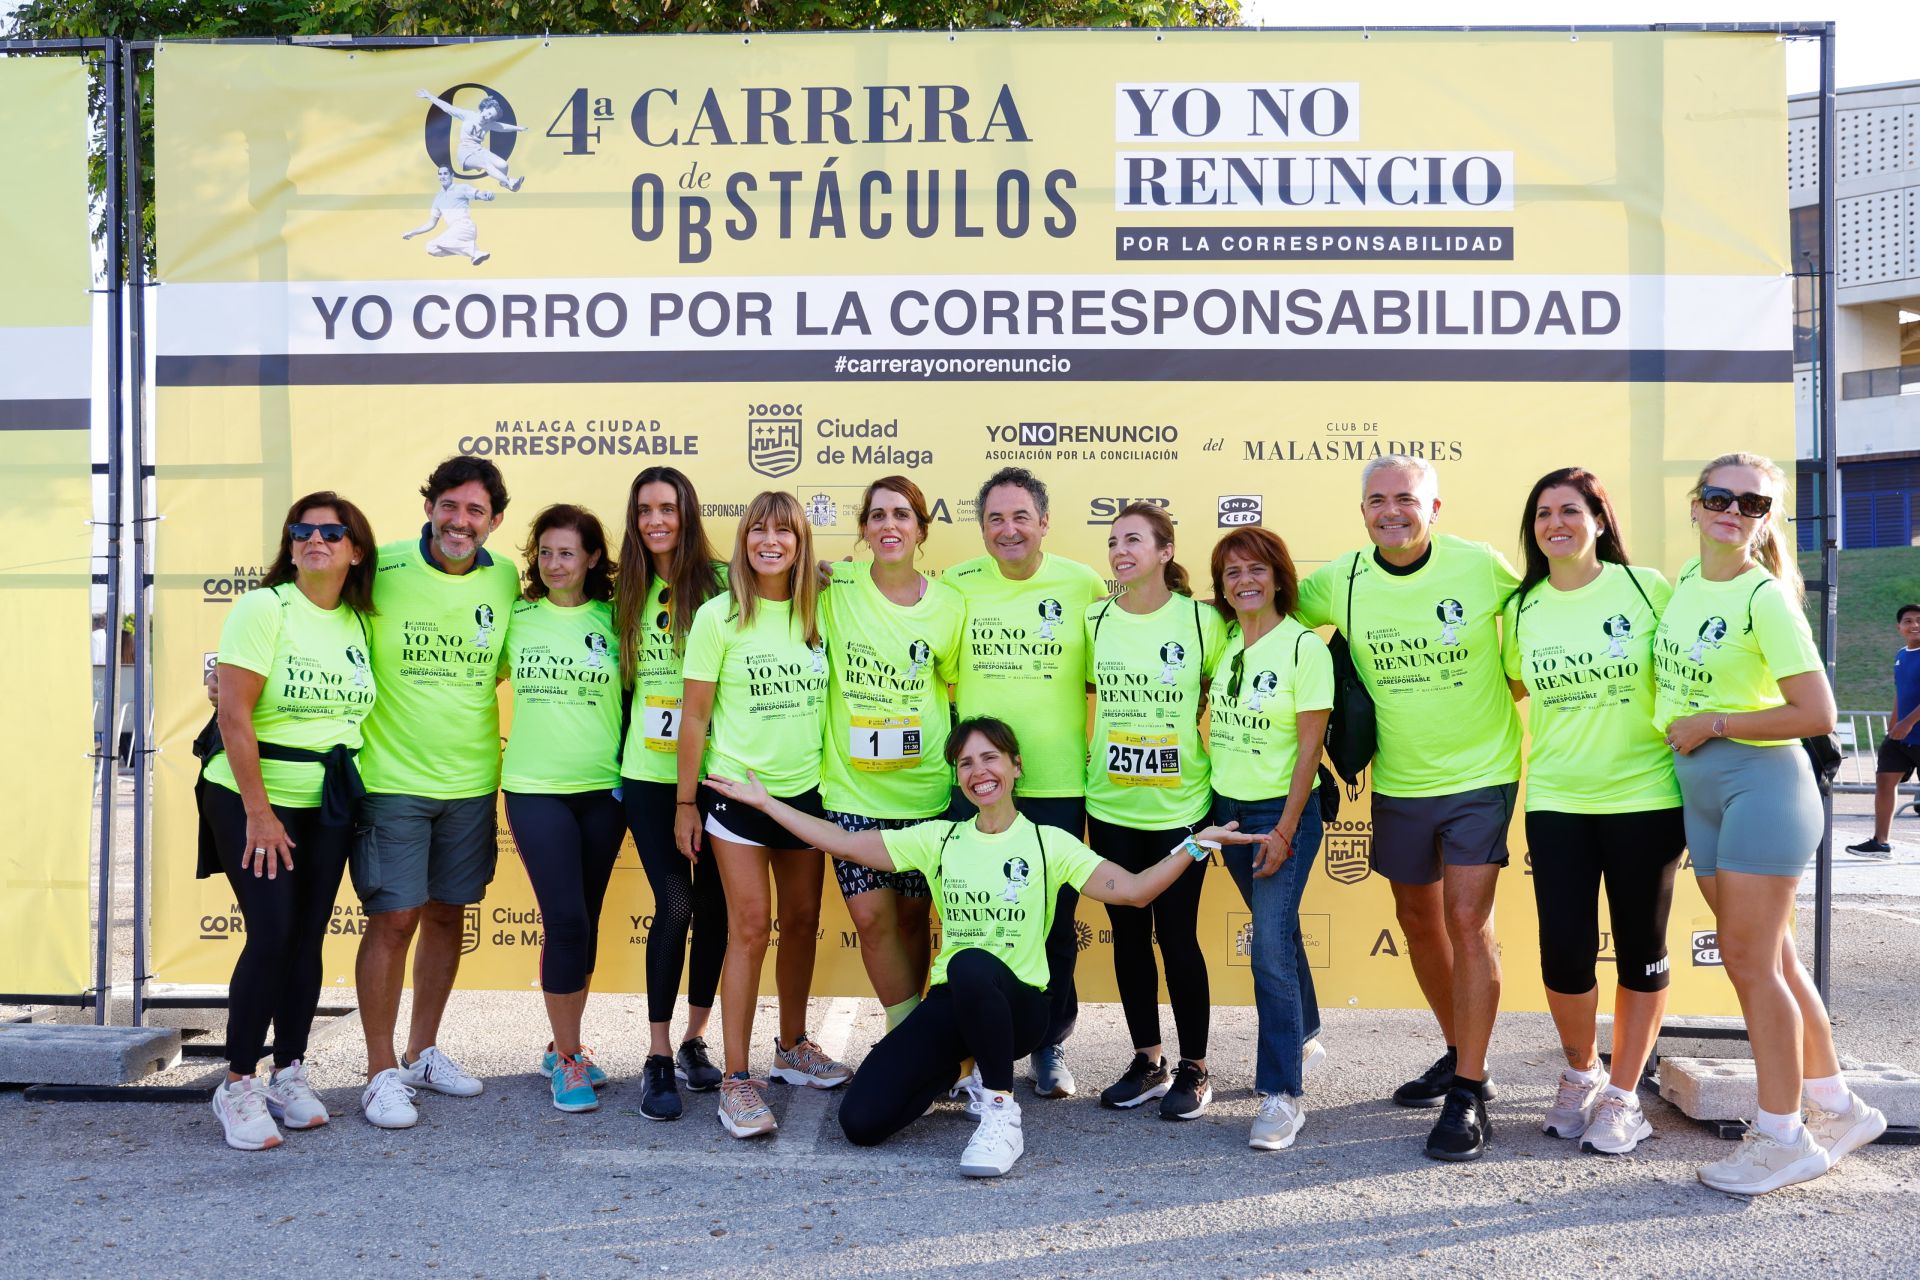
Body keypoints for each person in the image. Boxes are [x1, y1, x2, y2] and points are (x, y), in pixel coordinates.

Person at [704, 718, 1259, 1176]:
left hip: (1021, 1009)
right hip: (957, 1005)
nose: (979, 772)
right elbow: (841, 841)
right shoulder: (941, 838)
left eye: (991, 758)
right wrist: (768, 804)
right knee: (862, 1123)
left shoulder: (1049, 842)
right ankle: (949, 1071)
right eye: (966, 763)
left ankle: (999, 1113)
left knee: (970, 964)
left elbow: (1135, 892)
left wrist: (1195, 844)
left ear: (1016, 767)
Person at [1655, 452, 1888, 1195]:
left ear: (1766, 520)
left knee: (1751, 963)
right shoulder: (1688, 582)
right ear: (1695, 505)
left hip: (1763, 787)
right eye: (1720, 497)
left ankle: (1782, 1135)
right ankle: (1836, 1104)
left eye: (1752, 504)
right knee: (1776, 961)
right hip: (1707, 792)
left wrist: (1714, 721)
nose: (1733, 510)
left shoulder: (1764, 598)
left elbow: (1817, 714)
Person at [1295, 455, 1522, 1162]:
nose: (1390, 511)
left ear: (1435, 507)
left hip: (1482, 774)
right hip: (1398, 779)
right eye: (1376, 501)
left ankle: (1469, 1089)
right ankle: (1460, 1051)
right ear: (1362, 510)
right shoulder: (1343, 578)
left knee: (1466, 920)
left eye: (1405, 499)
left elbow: (1536, 638)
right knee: (1418, 920)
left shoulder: (1478, 566)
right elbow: (1267, 612)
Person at [1501, 468, 1683, 1156]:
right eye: (1543, 513)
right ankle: (1582, 1072)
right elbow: (1519, 682)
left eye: (1570, 511)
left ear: (1600, 520)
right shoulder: (1521, 609)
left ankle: (1624, 1094)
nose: (1556, 524)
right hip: (1556, 800)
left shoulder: (1647, 590)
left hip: (1645, 797)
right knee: (1566, 951)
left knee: (1641, 947)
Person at [198, 493, 379, 1150]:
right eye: (302, 530)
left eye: (333, 531)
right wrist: (259, 812)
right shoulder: (264, 606)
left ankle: (288, 1072)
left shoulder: (361, 621)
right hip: (249, 797)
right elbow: (234, 716)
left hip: (327, 799)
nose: (315, 539)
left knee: (306, 938)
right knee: (272, 936)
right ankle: (237, 1083)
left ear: (356, 549)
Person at [352, 457, 521, 1129]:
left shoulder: (506, 577)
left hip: (473, 781)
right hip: (391, 780)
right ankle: (377, 1069)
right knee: (393, 920)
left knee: (449, 915)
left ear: (494, 521)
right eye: (449, 506)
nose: (460, 521)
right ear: (429, 507)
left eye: (475, 511)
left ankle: (422, 1051)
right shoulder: (380, 567)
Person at [676, 490, 846, 1139]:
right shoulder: (720, 616)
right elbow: (694, 716)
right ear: (744, 541)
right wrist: (686, 802)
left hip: (807, 792)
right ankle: (737, 1080)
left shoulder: (821, 610)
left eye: (785, 532)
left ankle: (793, 1047)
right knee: (750, 927)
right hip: (736, 794)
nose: (770, 542)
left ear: (802, 543)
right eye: (758, 531)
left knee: (803, 921)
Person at [943, 467, 1106, 1099]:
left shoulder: (1083, 584)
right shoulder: (956, 586)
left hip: (1061, 783)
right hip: (979, 782)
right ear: (981, 527)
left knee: (1054, 925)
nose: (1008, 530)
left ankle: (1048, 1043)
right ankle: (974, 1051)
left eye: (1020, 517)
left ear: (1043, 522)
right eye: (994, 519)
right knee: (975, 925)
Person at [1084, 503, 1229, 1119]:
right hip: (1110, 804)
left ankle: (1195, 1069)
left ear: (1165, 552)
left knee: (1177, 936)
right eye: (1114, 541)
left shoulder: (1202, 622)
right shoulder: (1092, 619)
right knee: (1126, 937)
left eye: (1134, 540)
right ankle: (1148, 1060)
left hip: (1181, 808)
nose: (1121, 550)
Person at [819, 477, 966, 1031]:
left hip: (923, 793)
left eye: (902, 515)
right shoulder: (835, 586)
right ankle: (907, 1039)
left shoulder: (949, 607)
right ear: (863, 529)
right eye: (877, 515)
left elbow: (950, 687)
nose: (889, 525)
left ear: (921, 529)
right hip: (852, 792)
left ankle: (908, 1039)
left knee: (911, 921)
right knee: (873, 921)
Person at [1206, 525, 1332, 1151]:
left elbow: (1310, 747)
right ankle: (1304, 1026)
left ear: (1279, 576)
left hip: (1276, 818)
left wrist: (1283, 829)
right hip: (1227, 815)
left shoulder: (1304, 648)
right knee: (1278, 929)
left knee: (1268, 948)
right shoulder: (1228, 644)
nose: (1244, 581)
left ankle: (1282, 1094)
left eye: (1255, 569)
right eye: (1232, 572)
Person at [499, 505, 624, 1114]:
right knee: (566, 921)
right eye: (545, 553)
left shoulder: (615, 619)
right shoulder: (515, 617)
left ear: (593, 558)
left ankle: (561, 1044)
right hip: (534, 788)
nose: (554, 564)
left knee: (587, 919)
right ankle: (570, 1060)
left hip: (604, 790)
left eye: (567, 553)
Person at [612, 467, 729, 1120]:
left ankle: (693, 1039)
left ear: (687, 513)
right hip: (648, 779)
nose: (656, 520)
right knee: (676, 904)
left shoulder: (717, 586)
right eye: (645, 509)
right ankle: (656, 1056)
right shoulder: (623, 589)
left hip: (713, 776)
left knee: (713, 909)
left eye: (668, 508)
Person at [1843, 603, 1920, 859]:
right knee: (1885, 782)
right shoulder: (1901, 655)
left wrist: (1907, 722)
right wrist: (1894, 723)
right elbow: (1901, 692)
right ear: (1899, 628)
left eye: (1919, 620)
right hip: (1899, 738)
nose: (1914, 625)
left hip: (1916, 733)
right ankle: (1880, 842)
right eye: (1908, 621)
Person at [416, 89, 529, 191]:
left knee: (504, 165)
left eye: (492, 117)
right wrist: (430, 96)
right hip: (466, 153)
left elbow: (502, 127)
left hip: (479, 150)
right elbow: (448, 108)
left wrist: (518, 128)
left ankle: (504, 183)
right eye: (489, 113)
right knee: (486, 164)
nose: (488, 117)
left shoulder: (489, 124)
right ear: (484, 108)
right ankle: (510, 182)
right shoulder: (468, 115)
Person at [401, 166, 495, 266]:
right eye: (440, 174)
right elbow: (431, 223)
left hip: (465, 226)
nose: (443, 176)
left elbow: (480, 195)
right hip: (454, 233)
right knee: (431, 248)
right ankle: (472, 252)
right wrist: (413, 232)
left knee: (436, 243)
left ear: (452, 175)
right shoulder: (438, 198)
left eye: (445, 173)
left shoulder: (461, 188)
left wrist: (487, 195)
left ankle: (474, 252)